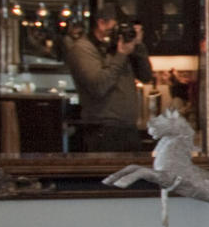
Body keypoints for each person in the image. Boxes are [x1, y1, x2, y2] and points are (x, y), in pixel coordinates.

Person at [65, 12, 154, 153]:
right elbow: (99, 86)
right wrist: (121, 55)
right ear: (101, 23)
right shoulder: (83, 48)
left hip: (128, 127)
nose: (122, 31)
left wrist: (138, 46)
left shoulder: (119, 47)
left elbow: (146, 76)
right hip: (103, 130)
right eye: (118, 26)